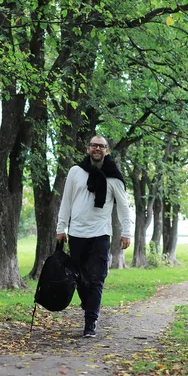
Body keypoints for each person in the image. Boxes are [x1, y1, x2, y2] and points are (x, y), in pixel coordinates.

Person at [56, 135, 132, 337]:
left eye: (101, 146)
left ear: (107, 151)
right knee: (79, 278)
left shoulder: (113, 177)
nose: (97, 149)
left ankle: (91, 322)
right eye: (93, 145)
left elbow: (124, 207)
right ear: (88, 149)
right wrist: (61, 227)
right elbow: (66, 201)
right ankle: (89, 304)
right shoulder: (75, 172)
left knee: (97, 278)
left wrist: (126, 232)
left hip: (100, 233)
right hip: (77, 234)